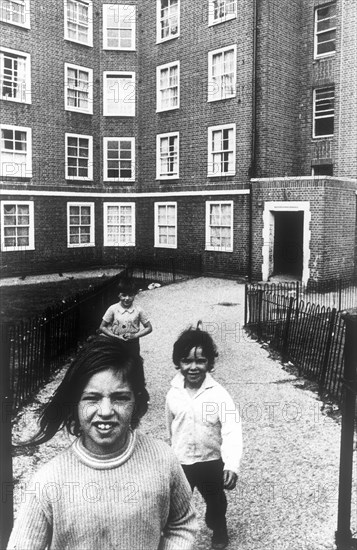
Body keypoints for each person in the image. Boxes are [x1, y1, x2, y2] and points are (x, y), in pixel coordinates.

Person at [7, 337, 197, 550]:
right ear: (75, 403)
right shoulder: (49, 482)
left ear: (137, 400)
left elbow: (182, 522)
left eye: (120, 397)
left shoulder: (163, 460)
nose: (106, 411)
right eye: (92, 398)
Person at [165, 326, 242, 550]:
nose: (193, 367)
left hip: (211, 461)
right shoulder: (173, 394)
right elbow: (170, 426)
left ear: (210, 363)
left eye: (200, 361)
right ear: (178, 363)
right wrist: (171, 456)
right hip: (182, 461)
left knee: (216, 501)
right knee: (177, 504)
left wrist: (231, 465)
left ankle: (218, 526)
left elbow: (232, 428)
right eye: (187, 361)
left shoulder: (219, 394)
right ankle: (176, 536)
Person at [99, 278, 152, 357]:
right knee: (117, 364)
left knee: (134, 363)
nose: (127, 298)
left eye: (130, 295)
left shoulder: (138, 310)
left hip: (133, 344)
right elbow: (102, 327)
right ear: (118, 295)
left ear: (135, 294)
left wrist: (135, 336)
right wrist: (115, 336)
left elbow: (149, 328)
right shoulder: (113, 309)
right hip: (116, 343)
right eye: (124, 295)